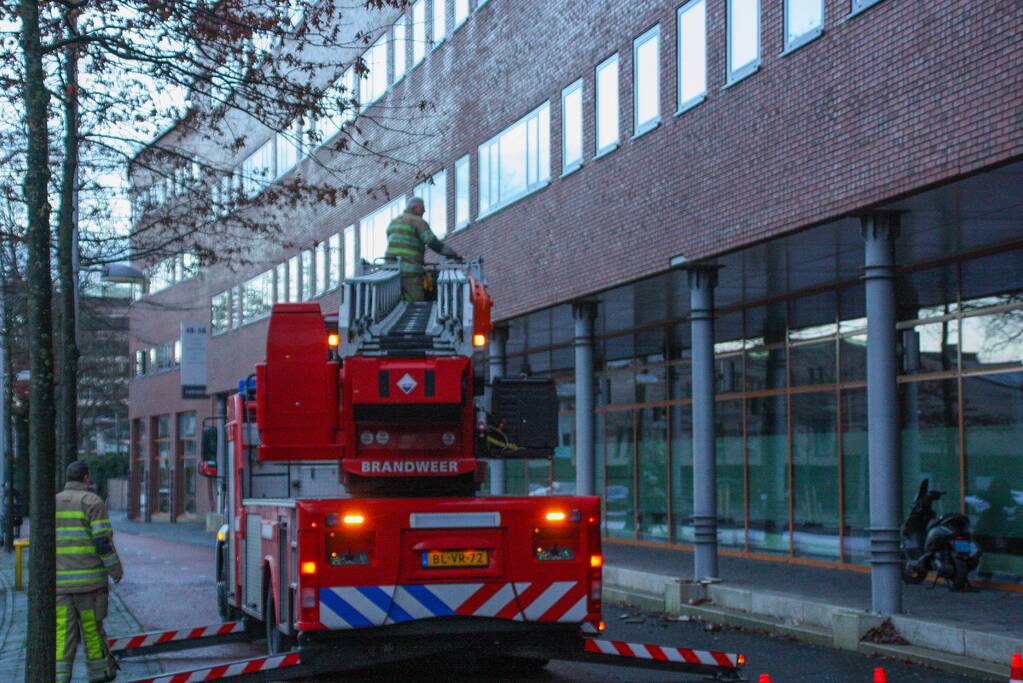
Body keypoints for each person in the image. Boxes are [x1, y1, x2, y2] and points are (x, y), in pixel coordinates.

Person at [55, 461, 122, 683]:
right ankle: (99, 675)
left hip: (61, 588)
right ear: (86, 477)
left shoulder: (53, 502)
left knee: (63, 636)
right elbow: (102, 543)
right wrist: (115, 570)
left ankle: (60, 678)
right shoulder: (92, 502)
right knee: (92, 634)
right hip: (89, 587)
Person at [384, 197, 461, 301]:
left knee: (395, 302)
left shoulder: (393, 223)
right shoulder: (418, 222)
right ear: (414, 207)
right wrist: (453, 254)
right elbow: (432, 242)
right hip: (410, 272)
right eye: (422, 208)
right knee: (415, 302)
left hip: (390, 271)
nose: (424, 210)